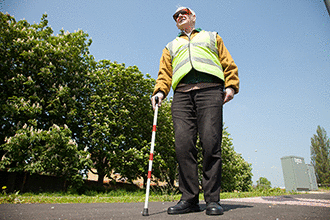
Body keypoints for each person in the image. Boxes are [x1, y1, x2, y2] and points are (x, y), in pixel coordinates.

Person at [151, 7, 239, 216]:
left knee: (211, 143)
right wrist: (160, 91)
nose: (179, 16)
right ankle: (189, 199)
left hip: (210, 91)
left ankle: (212, 200)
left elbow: (227, 62)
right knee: (183, 146)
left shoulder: (211, 36)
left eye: (184, 13)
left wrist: (231, 85)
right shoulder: (170, 46)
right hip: (181, 95)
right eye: (176, 16)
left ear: (193, 17)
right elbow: (165, 73)